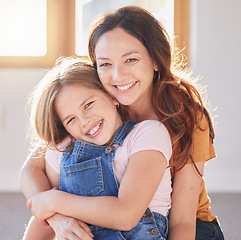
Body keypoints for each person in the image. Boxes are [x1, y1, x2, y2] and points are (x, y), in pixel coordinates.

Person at [19, 6, 225, 240]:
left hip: (184, 225)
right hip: (106, 219)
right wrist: (56, 216)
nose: (118, 76)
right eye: (106, 64)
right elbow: (32, 170)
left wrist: (54, 201)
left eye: (131, 59)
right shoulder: (96, 106)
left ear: (156, 60)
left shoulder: (185, 115)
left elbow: (182, 221)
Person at [23, 56, 172, 240]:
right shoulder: (64, 150)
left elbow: (126, 216)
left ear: (112, 96)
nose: (85, 121)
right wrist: (53, 212)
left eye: (88, 104)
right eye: (71, 119)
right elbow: (41, 214)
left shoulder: (147, 134)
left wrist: (54, 201)